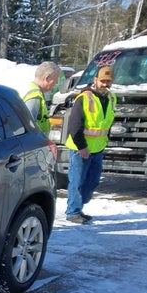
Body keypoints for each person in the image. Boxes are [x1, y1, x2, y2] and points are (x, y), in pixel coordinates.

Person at [63, 65, 116, 224]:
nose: (106, 84)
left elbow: (107, 123)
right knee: (77, 181)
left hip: (98, 148)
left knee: (92, 181)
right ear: (95, 80)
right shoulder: (84, 98)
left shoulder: (111, 98)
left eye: (109, 81)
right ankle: (73, 212)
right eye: (103, 81)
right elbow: (74, 126)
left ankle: (78, 207)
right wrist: (82, 148)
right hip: (80, 149)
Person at [23, 61, 61, 133]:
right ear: (47, 78)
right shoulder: (34, 96)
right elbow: (28, 125)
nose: (56, 83)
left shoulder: (33, 91)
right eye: (56, 79)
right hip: (34, 143)